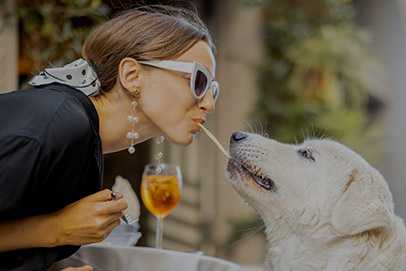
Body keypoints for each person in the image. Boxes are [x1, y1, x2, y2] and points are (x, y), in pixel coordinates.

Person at [0, 5, 218, 271]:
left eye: (212, 90)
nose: (209, 103)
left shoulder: (82, 141)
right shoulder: (58, 125)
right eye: (199, 81)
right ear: (131, 75)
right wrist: (56, 228)